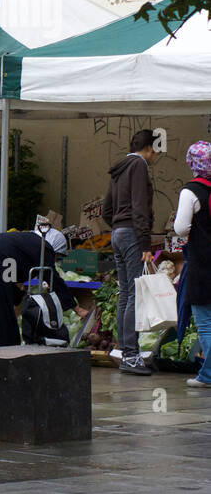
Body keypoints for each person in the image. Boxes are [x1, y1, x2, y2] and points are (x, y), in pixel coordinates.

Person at [0, 226, 88, 359]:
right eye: (57, 256)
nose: (55, 259)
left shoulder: (26, 242)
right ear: (54, 247)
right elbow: (54, 279)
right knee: (0, 308)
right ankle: (2, 351)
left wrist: (18, 297)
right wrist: (77, 309)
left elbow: (12, 278)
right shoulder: (44, 248)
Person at [102, 129, 158, 375]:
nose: (156, 155)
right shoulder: (138, 166)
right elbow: (140, 206)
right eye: (156, 150)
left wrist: (118, 226)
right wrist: (145, 242)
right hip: (132, 234)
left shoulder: (120, 168)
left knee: (125, 294)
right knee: (134, 295)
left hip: (118, 233)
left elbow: (106, 209)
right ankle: (132, 356)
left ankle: (126, 352)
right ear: (149, 148)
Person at [176, 142, 211, 387]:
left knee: (205, 322)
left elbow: (181, 228)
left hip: (202, 263)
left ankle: (208, 375)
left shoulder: (191, 191)